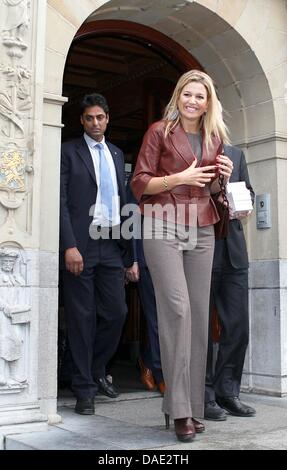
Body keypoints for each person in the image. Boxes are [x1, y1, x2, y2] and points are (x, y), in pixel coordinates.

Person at [131, 70, 233, 442]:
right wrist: (180, 178)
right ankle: (179, 411)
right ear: (178, 96)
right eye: (187, 94)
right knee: (177, 311)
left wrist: (223, 174)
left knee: (199, 316)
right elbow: (140, 182)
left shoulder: (214, 137)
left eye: (200, 97)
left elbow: (215, 188)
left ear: (209, 102)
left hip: (203, 226)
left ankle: (190, 405)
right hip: (162, 223)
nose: (193, 101)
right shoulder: (159, 131)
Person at [60, 93, 133, 415]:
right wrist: (69, 245)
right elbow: (59, 201)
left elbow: (125, 201)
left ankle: (95, 369)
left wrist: (131, 256)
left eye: (100, 117)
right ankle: (84, 389)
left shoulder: (116, 154)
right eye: (89, 118)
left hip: (111, 242)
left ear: (107, 118)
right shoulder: (68, 152)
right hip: (81, 244)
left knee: (117, 313)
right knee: (82, 318)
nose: (95, 123)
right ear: (82, 121)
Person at [204, 144, 256, 420]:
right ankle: (203, 395)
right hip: (201, 248)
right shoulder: (191, 149)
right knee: (200, 330)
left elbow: (247, 189)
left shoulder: (236, 154)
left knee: (237, 326)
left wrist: (243, 202)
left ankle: (227, 392)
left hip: (234, 250)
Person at [125, 174, 165, 394]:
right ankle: (160, 373)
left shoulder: (176, 174)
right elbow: (131, 222)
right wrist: (133, 259)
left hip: (174, 257)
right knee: (156, 319)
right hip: (147, 260)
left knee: (172, 318)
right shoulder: (139, 180)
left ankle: (148, 360)